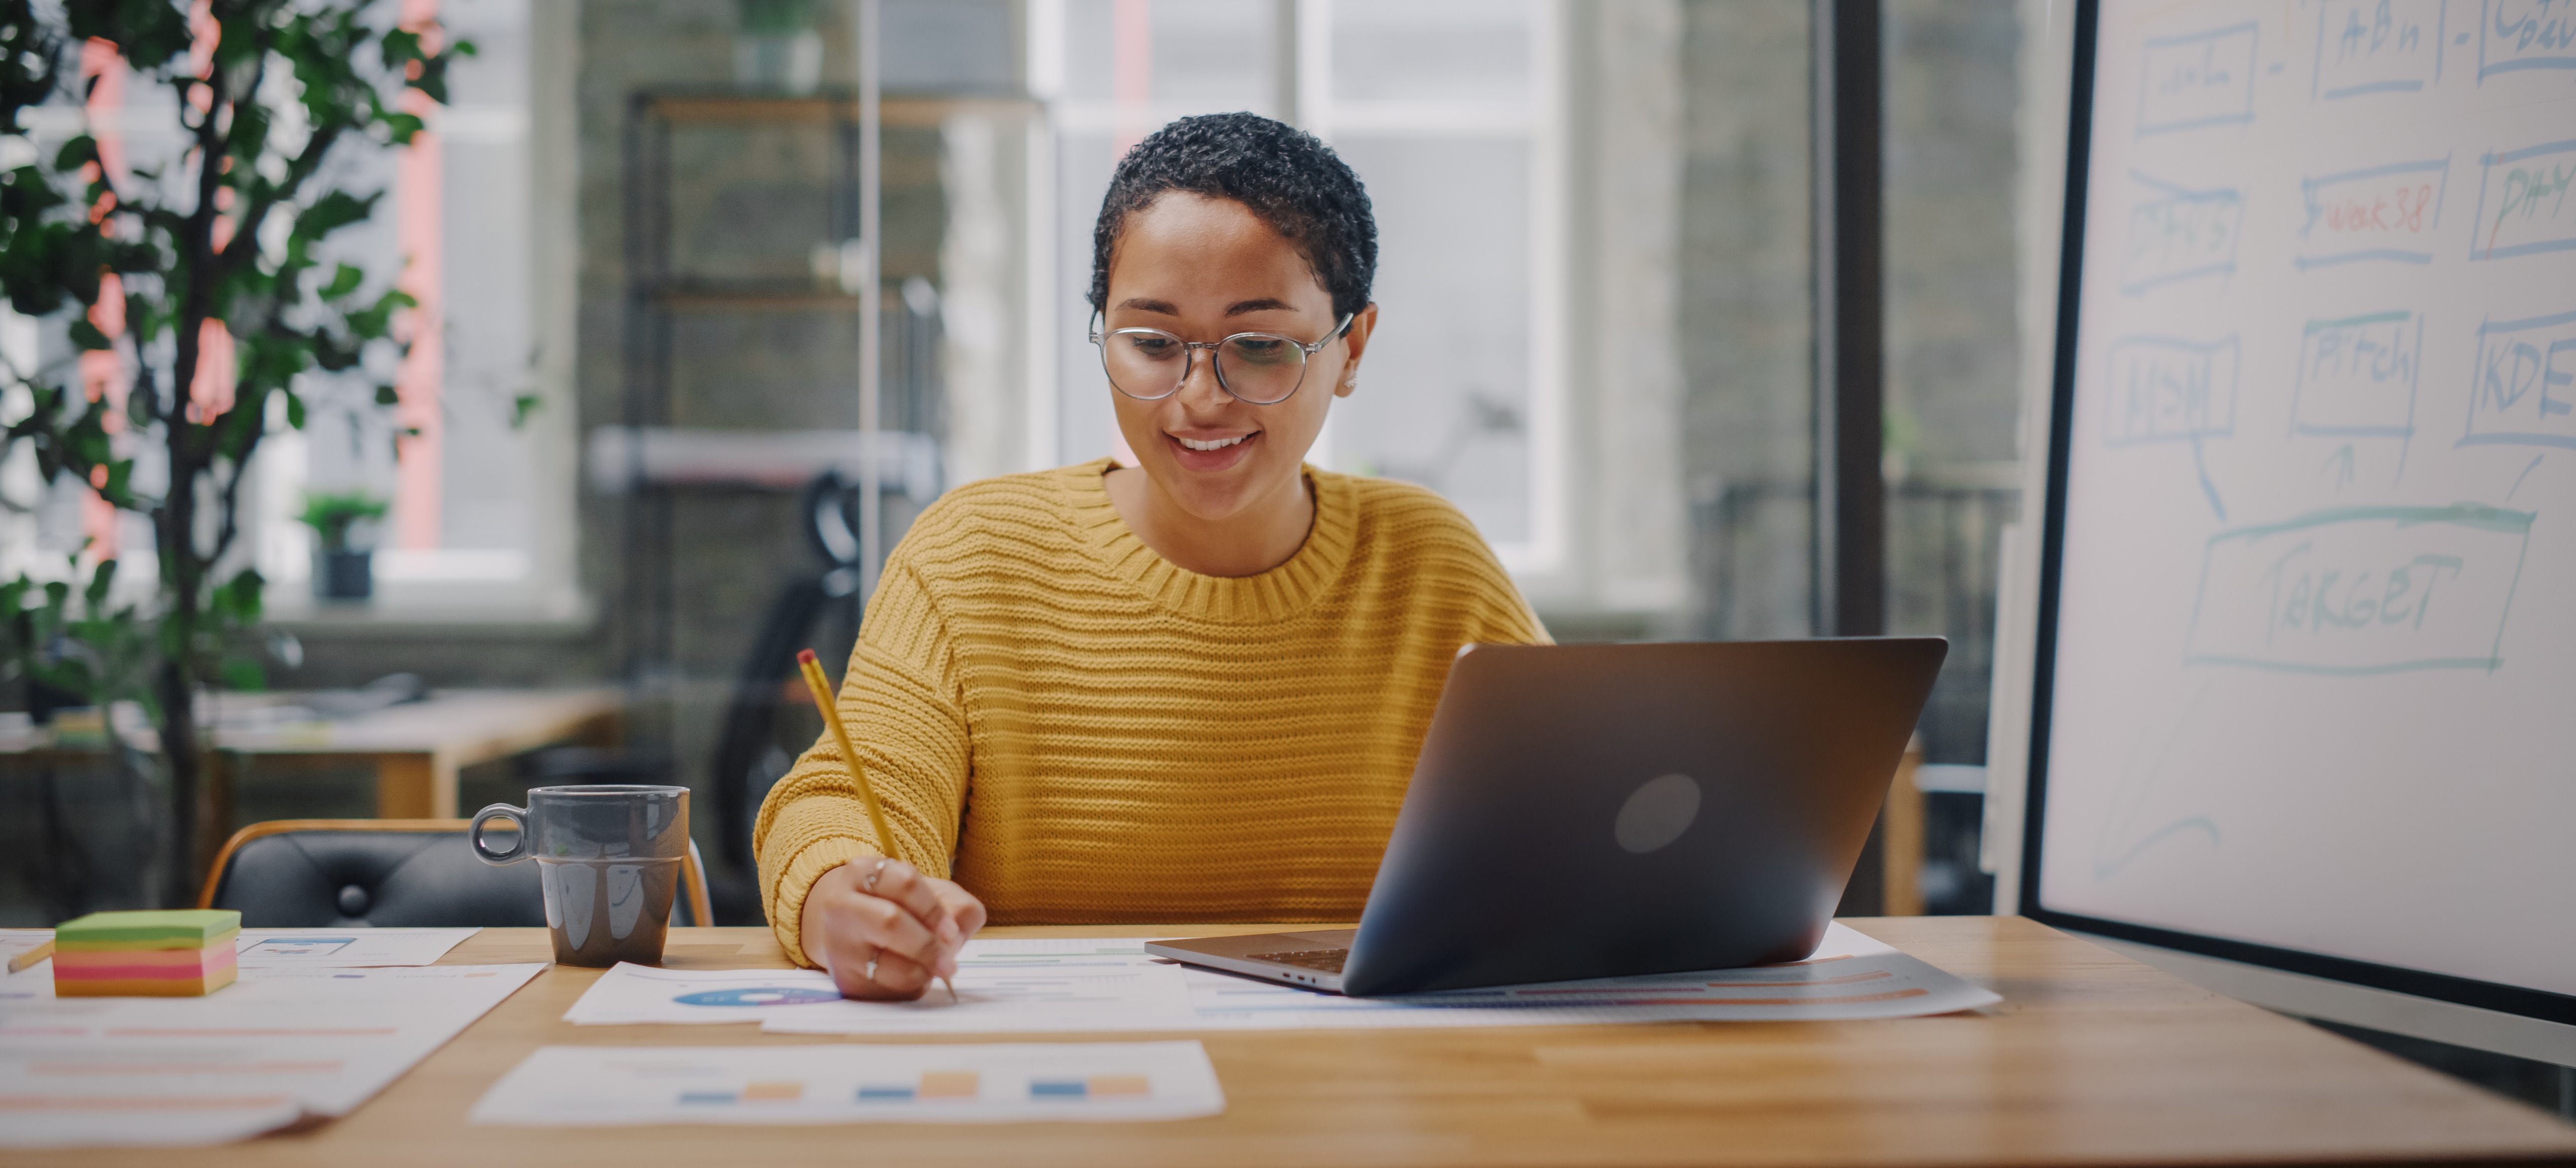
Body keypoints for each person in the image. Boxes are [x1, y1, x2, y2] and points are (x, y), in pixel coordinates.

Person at [756, 112, 1549, 1001]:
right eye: (1153, 342)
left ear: (1351, 348)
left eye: (1258, 347)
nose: (1199, 399)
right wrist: (845, 898)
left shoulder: (1433, 564)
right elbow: (839, 803)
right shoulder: (973, 556)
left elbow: (1580, 824)